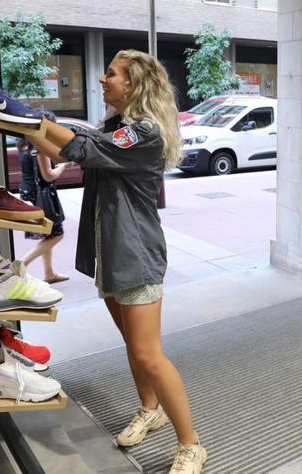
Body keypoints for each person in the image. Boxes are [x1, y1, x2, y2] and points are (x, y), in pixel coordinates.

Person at [28, 50, 205, 474]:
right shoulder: (115, 127)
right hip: (111, 254)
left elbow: (81, 148)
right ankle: (150, 409)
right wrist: (21, 125)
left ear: (134, 84)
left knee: (148, 355)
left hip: (136, 255)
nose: (103, 79)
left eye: (112, 74)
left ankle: (191, 444)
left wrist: (24, 118)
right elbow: (73, 148)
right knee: (135, 347)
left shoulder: (144, 134)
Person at [18, 113, 73, 284]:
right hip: (42, 195)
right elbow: (48, 176)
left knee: (47, 234)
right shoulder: (41, 147)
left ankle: (49, 273)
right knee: (57, 234)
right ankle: (20, 264)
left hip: (28, 192)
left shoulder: (24, 144)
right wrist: (63, 165)